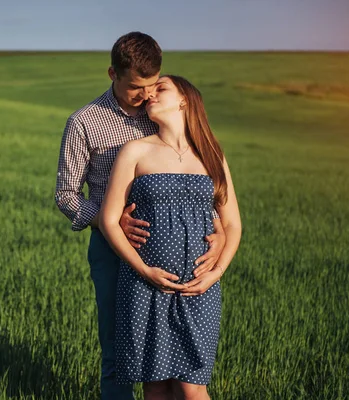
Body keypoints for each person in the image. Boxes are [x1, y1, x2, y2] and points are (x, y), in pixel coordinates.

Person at [55, 32, 227, 400]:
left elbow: (197, 181)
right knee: (119, 350)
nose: (146, 95)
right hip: (111, 247)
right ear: (112, 73)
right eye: (136, 87)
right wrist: (108, 219)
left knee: (169, 363)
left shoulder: (158, 113)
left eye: (152, 86)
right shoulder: (84, 122)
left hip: (173, 251)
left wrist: (221, 232)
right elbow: (66, 194)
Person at [98, 75, 242, 400]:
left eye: (161, 88)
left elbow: (232, 224)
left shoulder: (211, 155)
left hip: (199, 287)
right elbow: (109, 219)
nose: (151, 94)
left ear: (184, 100)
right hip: (144, 283)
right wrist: (143, 270)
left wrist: (216, 273)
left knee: (192, 388)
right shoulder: (135, 150)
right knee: (156, 386)